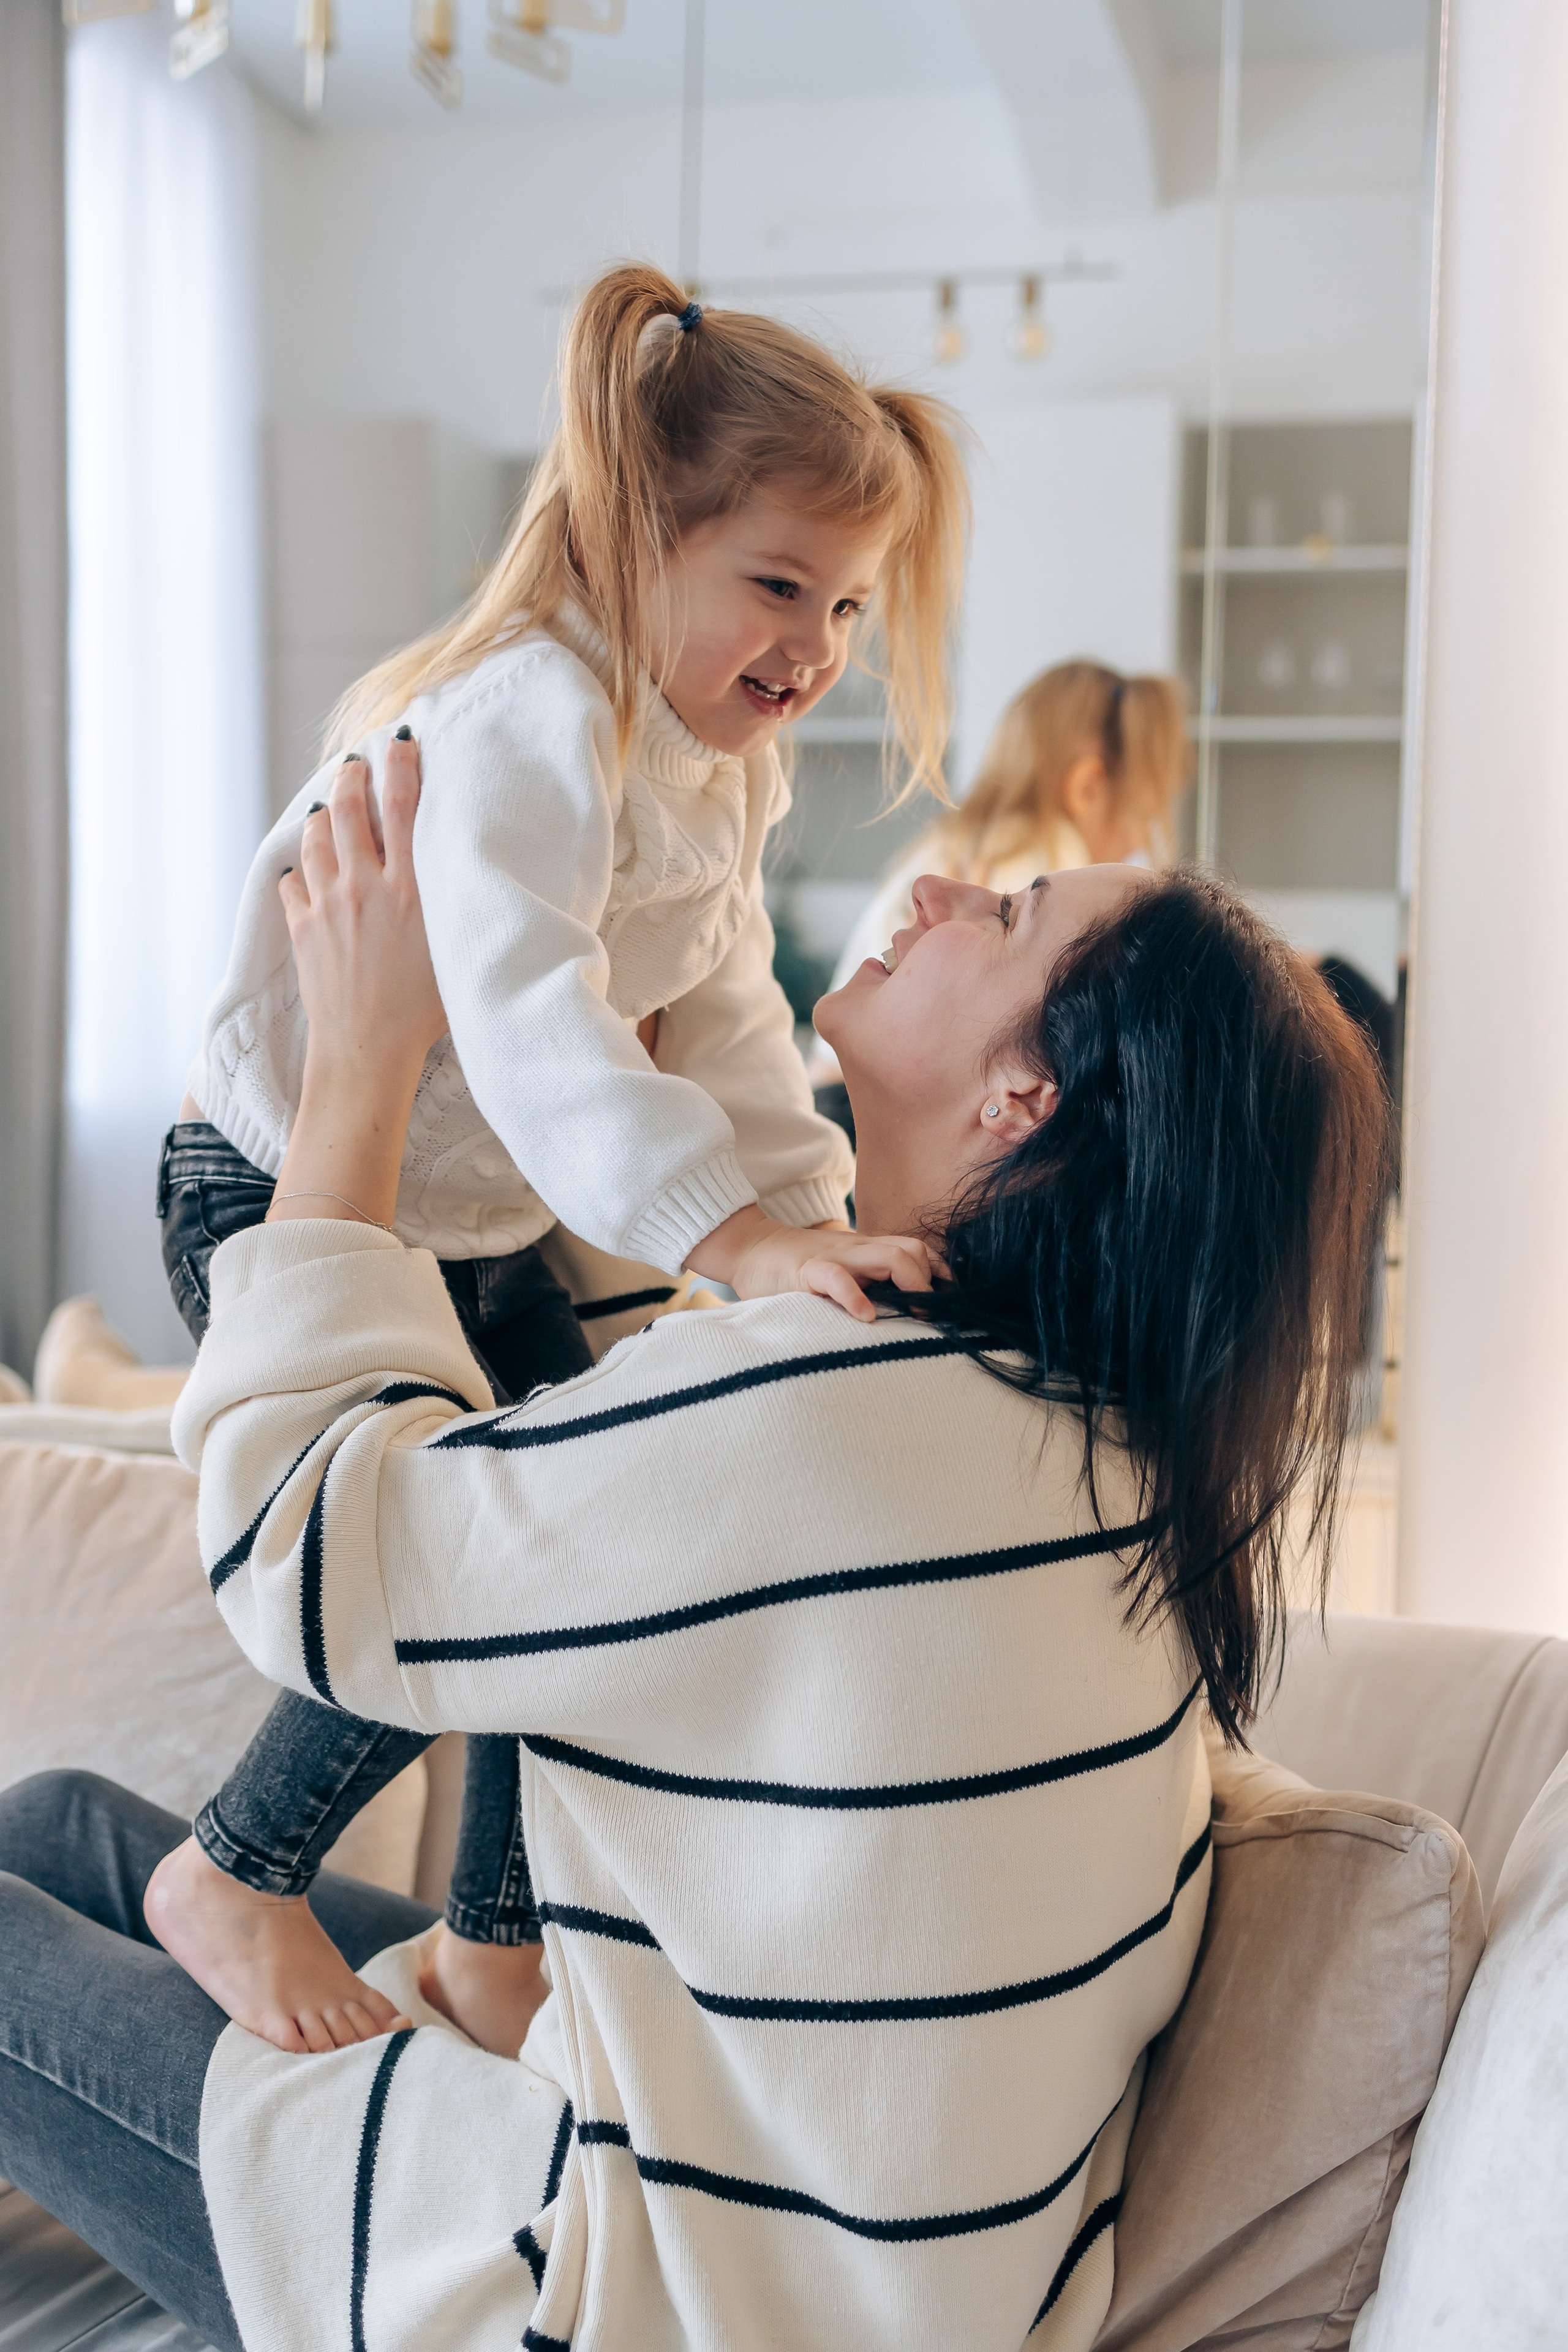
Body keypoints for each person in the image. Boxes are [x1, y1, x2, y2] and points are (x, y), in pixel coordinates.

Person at [0, 741, 1390, 2352]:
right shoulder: (1089, 1442)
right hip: (779, 2224)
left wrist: (358, 1068)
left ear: (1027, 1102)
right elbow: (625, 1467)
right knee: (57, 1826)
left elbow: (304, 1560)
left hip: (613, 2297)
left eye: (1006, 916)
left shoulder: (830, 1413)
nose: (942, 887)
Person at [148, 260, 967, 2062]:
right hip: (282, 1185)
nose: (815, 646)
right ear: (627, 536)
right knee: (465, 1561)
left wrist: (807, 1231)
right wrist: (727, 1235)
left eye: (845, 604)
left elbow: (729, 1007)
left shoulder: (715, 767)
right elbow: (531, 1020)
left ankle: (495, 1944)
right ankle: (233, 1867)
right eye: (776, 585)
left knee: (577, 1544)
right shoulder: (534, 714)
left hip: (466, 1223)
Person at [809, 660, 1188, 1121]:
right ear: (1088, 788)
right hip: (872, 1109)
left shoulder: (947, 843)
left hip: (833, 1092)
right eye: (1144, 815)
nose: (1139, 842)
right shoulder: (1049, 862)